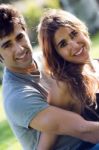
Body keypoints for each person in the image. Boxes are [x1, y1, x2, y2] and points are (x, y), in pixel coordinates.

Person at [0, 4, 99, 150]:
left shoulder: (50, 59)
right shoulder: (17, 97)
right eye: (7, 45)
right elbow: (83, 130)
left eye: (20, 37)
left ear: (25, 32)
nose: (20, 49)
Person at [37, 8, 99, 150]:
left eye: (74, 34)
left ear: (82, 30)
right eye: (63, 44)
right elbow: (45, 143)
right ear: (56, 54)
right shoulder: (64, 86)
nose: (74, 45)